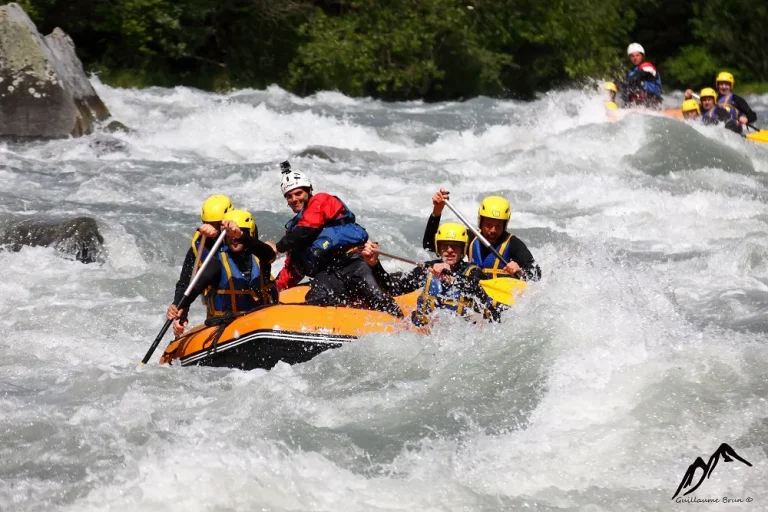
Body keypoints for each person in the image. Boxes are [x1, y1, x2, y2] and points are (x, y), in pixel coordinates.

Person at [269, 162, 404, 318]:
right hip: (329, 273)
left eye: (298, 193)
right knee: (316, 298)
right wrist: (274, 289)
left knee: (378, 298)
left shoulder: (321, 201)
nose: (294, 199)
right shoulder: (293, 231)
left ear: (309, 190)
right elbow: (292, 269)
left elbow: (308, 228)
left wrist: (277, 247)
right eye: (289, 196)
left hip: (354, 263)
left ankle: (404, 324)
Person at [362, 223, 500, 326]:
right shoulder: (427, 269)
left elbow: (477, 291)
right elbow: (393, 288)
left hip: (460, 336)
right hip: (427, 334)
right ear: (438, 248)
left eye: (455, 246)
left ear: (463, 249)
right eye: (445, 246)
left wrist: (451, 277)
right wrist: (375, 264)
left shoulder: (473, 272)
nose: (450, 250)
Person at [167, 209, 278, 336]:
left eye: (236, 234)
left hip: (261, 324)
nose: (233, 239)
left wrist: (239, 235)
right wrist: (180, 307)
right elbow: (193, 287)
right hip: (227, 328)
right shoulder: (216, 262)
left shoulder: (261, 256)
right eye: (229, 235)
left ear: (249, 234)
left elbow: (268, 254)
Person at [423, 189, 541, 282]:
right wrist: (437, 211)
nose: (493, 230)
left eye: (498, 226)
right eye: (488, 225)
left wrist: (520, 271)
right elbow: (429, 245)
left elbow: (536, 274)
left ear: (505, 225)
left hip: (499, 299)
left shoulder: (514, 244)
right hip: (474, 293)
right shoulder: (471, 237)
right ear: (480, 222)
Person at [167, 194, 234, 322]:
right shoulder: (199, 248)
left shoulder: (242, 241)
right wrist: (178, 305)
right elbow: (185, 283)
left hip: (251, 313)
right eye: (209, 223)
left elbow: (217, 265)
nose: (212, 228)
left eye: (217, 224)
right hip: (219, 319)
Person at [684, 71, 757, 128]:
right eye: (721, 84)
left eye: (726, 84)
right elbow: (696, 111)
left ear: (731, 85)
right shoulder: (711, 99)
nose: (724, 87)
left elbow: (752, 115)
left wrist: (746, 120)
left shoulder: (737, 99)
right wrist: (688, 98)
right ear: (718, 85)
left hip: (733, 127)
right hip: (713, 126)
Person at [619, 43, 662, 109]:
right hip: (635, 104)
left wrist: (624, 82)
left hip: (652, 101)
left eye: (637, 55)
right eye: (632, 56)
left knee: (633, 82)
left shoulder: (648, 66)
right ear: (629, 58)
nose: (635, 58)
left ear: (642, 56)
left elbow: (638, 75)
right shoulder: (630, 73)